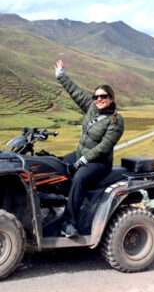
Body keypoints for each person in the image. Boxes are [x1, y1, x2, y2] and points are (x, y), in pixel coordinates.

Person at [53, 60, 124, 237]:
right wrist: (61, 75)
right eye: (96, 96)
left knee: (79, 178)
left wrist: (84, 159)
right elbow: (76, 93)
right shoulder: (92, 108)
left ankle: (68, 222)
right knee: (54, 164)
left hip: (99, 163)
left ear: (111, 99)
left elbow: (105, 146)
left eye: (103, 96)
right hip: (80, 155)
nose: (99, 99)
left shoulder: (116, 120)